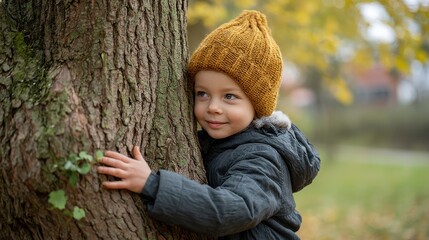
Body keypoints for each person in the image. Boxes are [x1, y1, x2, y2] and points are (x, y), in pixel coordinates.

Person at [97, 10, 320, 239]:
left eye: (229, 96)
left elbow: (227, 211)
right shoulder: (217, 142)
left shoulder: (262, 157)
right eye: (202, 93)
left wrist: (152, 184)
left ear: (257, 105)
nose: (213, 107)